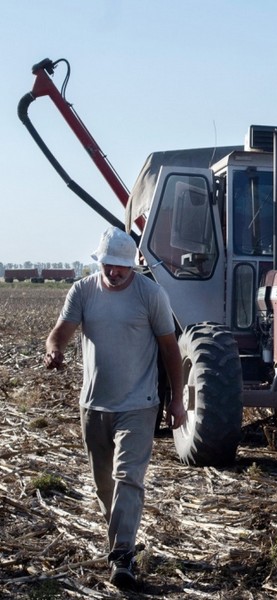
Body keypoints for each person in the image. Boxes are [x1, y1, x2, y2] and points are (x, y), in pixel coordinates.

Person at [44, 226, 186, 590]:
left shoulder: (151, 295)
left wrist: (177, 399)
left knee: (128, 478)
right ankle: (120, 541)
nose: (115, 272)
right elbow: (60, 331)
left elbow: (171, 350)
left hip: (139, 405)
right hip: (93, 405)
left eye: (122, 267)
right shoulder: (83, 290)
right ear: (101, 261)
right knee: (103, 485)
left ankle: (123, 555)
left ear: (133, 266)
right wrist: (54, 349)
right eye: (109, 265)